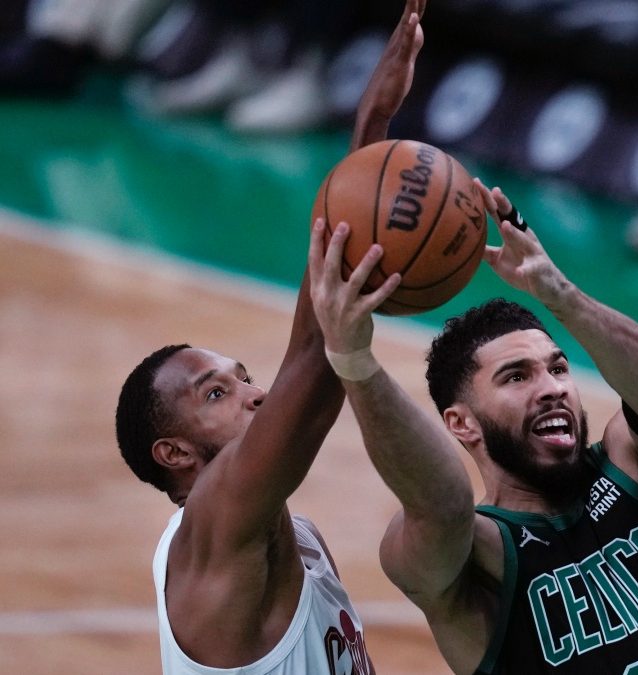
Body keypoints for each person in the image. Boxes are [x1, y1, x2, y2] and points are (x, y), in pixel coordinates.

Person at [308, 177, 638, 672]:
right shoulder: (477, 554)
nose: (552, 387)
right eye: (516, 376)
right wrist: (354, 361)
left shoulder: (637, 468)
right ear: (463, 424)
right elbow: (439, 503)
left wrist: (557, 291)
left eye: (558, 368)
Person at [112, 2, 425, 671]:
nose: (256, 394)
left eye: (243, 375)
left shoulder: (295, 536)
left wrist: (370, 127)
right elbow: (313, 366)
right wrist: (368, 131)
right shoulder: (214, 529)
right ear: (175, 452)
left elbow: (304, 356)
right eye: (217, 392)